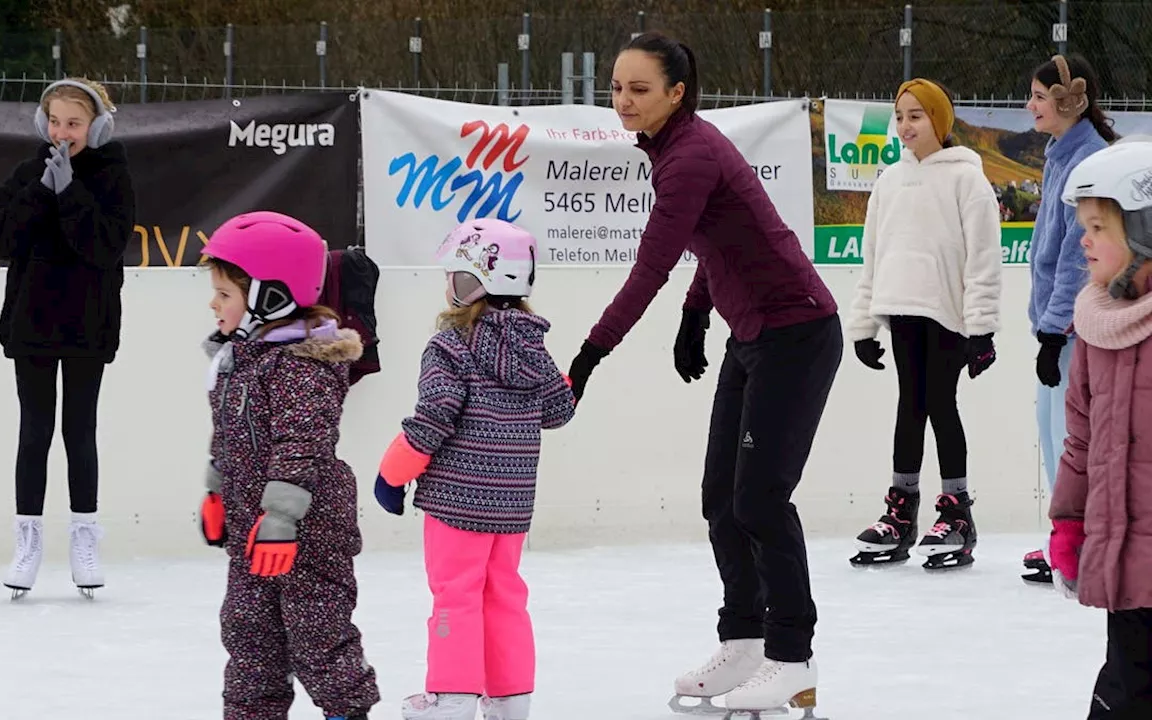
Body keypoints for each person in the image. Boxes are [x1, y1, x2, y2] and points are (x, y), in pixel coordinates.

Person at [566, 31, 840, 715]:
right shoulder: (679, 147)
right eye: (617, 87)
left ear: (676, 93)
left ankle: (792, 657)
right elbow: (720, 240)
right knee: (722, 497)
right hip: (753, 335)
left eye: (639, 89)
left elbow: (651, 266)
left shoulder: (688, 157)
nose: (623, 101)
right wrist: (698, 313)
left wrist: (592, 350)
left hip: (796, 333)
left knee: (761, 500)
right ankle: (744, 640)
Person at [371, 218, 575, 720]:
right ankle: (509, 700)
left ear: (472, 283)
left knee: (455, 595)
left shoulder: (450, 346)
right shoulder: (534, 346)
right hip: (511, 504)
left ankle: (452, 697)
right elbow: (558, 412)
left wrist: (393, 473)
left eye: (454, 275)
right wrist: (566, 381)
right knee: (504, 595)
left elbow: (434, 416)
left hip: (455, 501)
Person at [197, 211, 380, 720]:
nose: (214, 304)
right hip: (252, 530)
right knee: (247, 635)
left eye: (225, 294)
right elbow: (227, 437)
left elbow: (302, 444)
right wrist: (217, 493)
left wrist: (281, 519)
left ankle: (347, 712)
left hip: (311, 531)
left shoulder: (303, 363)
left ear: (269, 297)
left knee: (319, 637)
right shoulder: (240, 359)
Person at [0, 77, 134, 599]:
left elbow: (104, 246)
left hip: (88, 322)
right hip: (34, 322)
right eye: (55, 122)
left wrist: (71, 193)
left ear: (98, 126)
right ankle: (27, 541)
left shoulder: (113, 176)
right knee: (34, 431)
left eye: (74, 123)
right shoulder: (30, 172)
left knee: (79, 431)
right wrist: (42, 190)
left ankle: (85, 537)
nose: (63, 132)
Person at [846, 78, 1003, 571]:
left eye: (916, 115)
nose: (904, 125)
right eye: (899, 116)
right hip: (901, 308)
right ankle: (901, 512)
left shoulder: (966, 179)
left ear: (938, 120)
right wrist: (864, 325)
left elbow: (983, 259)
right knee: (909, 406)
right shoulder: (888, 181)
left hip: (948, 314)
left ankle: (956, 513)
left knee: (940, 402)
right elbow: (872, 256)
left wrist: (982, 328)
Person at [1047, 139, 1152, 718]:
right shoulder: (1096, 326)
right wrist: (1069, 523)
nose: (1082, 240)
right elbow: (1081, 442)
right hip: (1127, 563)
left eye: (1098, 227)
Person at [1022, 54, 1117, 585]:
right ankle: (1065, 539)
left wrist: (1056, 326)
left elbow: (1079, 256)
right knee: (1051, 431)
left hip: (1074, 329)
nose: (1029, 106)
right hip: (1055, 327)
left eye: (1038, 96)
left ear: (1068, 100)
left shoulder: (1088, 162)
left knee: (1070, 439)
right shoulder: (1062, 154)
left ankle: (1081, 543)